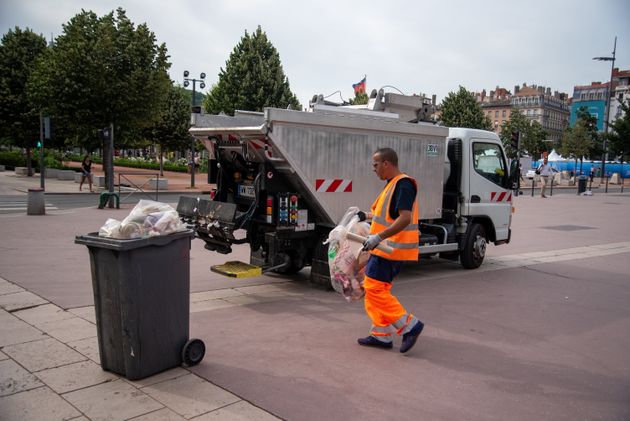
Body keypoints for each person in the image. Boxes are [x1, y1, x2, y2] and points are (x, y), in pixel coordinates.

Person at [357, 147, 424, 353]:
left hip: (390, 249)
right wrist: (364, 215)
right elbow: (384, 215)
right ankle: (381, 335)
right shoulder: (392, 185)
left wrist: (378, 237)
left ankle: (409, 325)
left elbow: (404, 218)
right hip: (384, 248)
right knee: (374, 291)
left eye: (375, 165)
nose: (373, 169)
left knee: (373, 289)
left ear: (387, 163)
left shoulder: (403, 185)